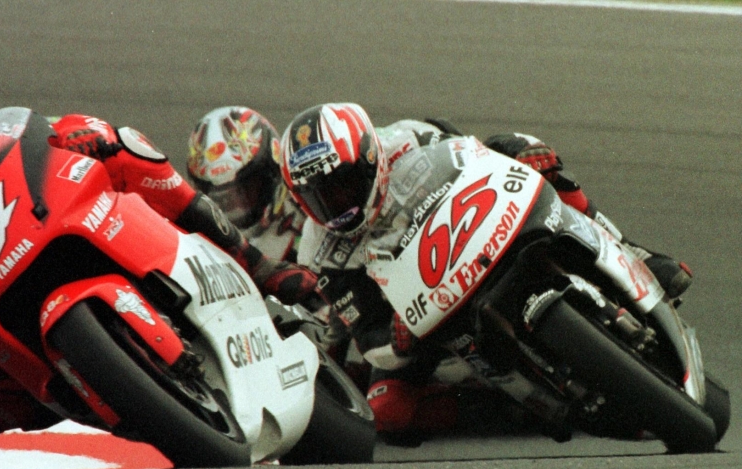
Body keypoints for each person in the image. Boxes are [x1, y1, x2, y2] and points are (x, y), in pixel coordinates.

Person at [0, 78, 317, 445]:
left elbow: (42, 131)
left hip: (42, 231)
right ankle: (81, 390)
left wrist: (80, 136)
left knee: (125, 147)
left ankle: (254, 263)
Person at [277, 102, 692, 444]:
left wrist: (522, 160)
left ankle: (631, 248)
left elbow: (478, 159)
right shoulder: (321, 251)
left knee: (523, 146)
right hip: (422, 316)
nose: (338, 205)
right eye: (320, 198)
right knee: (389, 411)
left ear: (371, 159)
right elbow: (367, 332)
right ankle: (495, 408)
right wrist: (395, 338)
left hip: (478, 234)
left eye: (345, 186)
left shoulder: (411, 136)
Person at [186, 106, 306, 262]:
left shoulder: (309, 219)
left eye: (246, 191)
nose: (235, 209)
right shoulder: (196, 241)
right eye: (221, 200)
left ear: (272, 173)